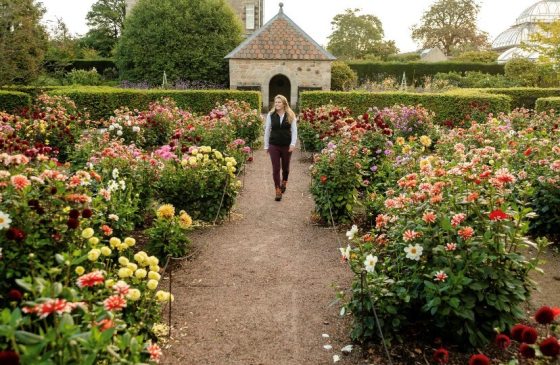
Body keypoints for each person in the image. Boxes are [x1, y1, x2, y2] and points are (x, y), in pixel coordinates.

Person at [264, 94, 297, 201]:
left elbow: (294, 131)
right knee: (276, 168)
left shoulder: (290, 114)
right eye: (276, 102)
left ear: (284, 103)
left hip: (287, 145)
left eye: (279, 102)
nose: (277, 104)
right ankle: (277, 190)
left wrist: (293, 144)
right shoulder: (270, 114)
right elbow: (267, 130)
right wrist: (266, 146)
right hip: (274, 145)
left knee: (285, 168)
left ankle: (284, 181)